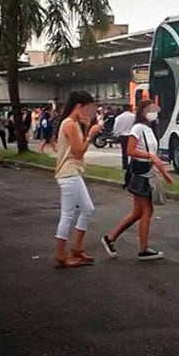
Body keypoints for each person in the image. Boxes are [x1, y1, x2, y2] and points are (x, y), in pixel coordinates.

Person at [101, 100, 173, 261]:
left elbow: (153, 155)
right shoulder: (138, 128)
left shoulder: (148, 129)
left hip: (146, 170)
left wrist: (163, 171)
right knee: (146, 211)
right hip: (140, 172)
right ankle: (143, 249)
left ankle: (111, 237)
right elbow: (131, 150)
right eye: (151, 110)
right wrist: (150, 157)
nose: (155, 113)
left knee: (138, 212)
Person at [53, 91, 102, 268]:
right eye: (89, 108)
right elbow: (79, 151)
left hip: (73, 172)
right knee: (67, 215)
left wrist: (86, 128)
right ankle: (60, 255)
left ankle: (77, 248)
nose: (90, 112)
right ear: (79, 106)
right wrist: (90, 134)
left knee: (87, 209)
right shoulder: (70, 124)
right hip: (69, 173)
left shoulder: (72, 123)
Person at [113, 104, 135, 170]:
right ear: (129, 108)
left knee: (124, 151)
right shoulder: (134, 116)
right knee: (133, 151)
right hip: (132, 135)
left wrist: (116, 134)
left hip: (123, 136)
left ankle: (125, 166)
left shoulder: (119, 117)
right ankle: (132, 165)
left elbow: (116, 127)